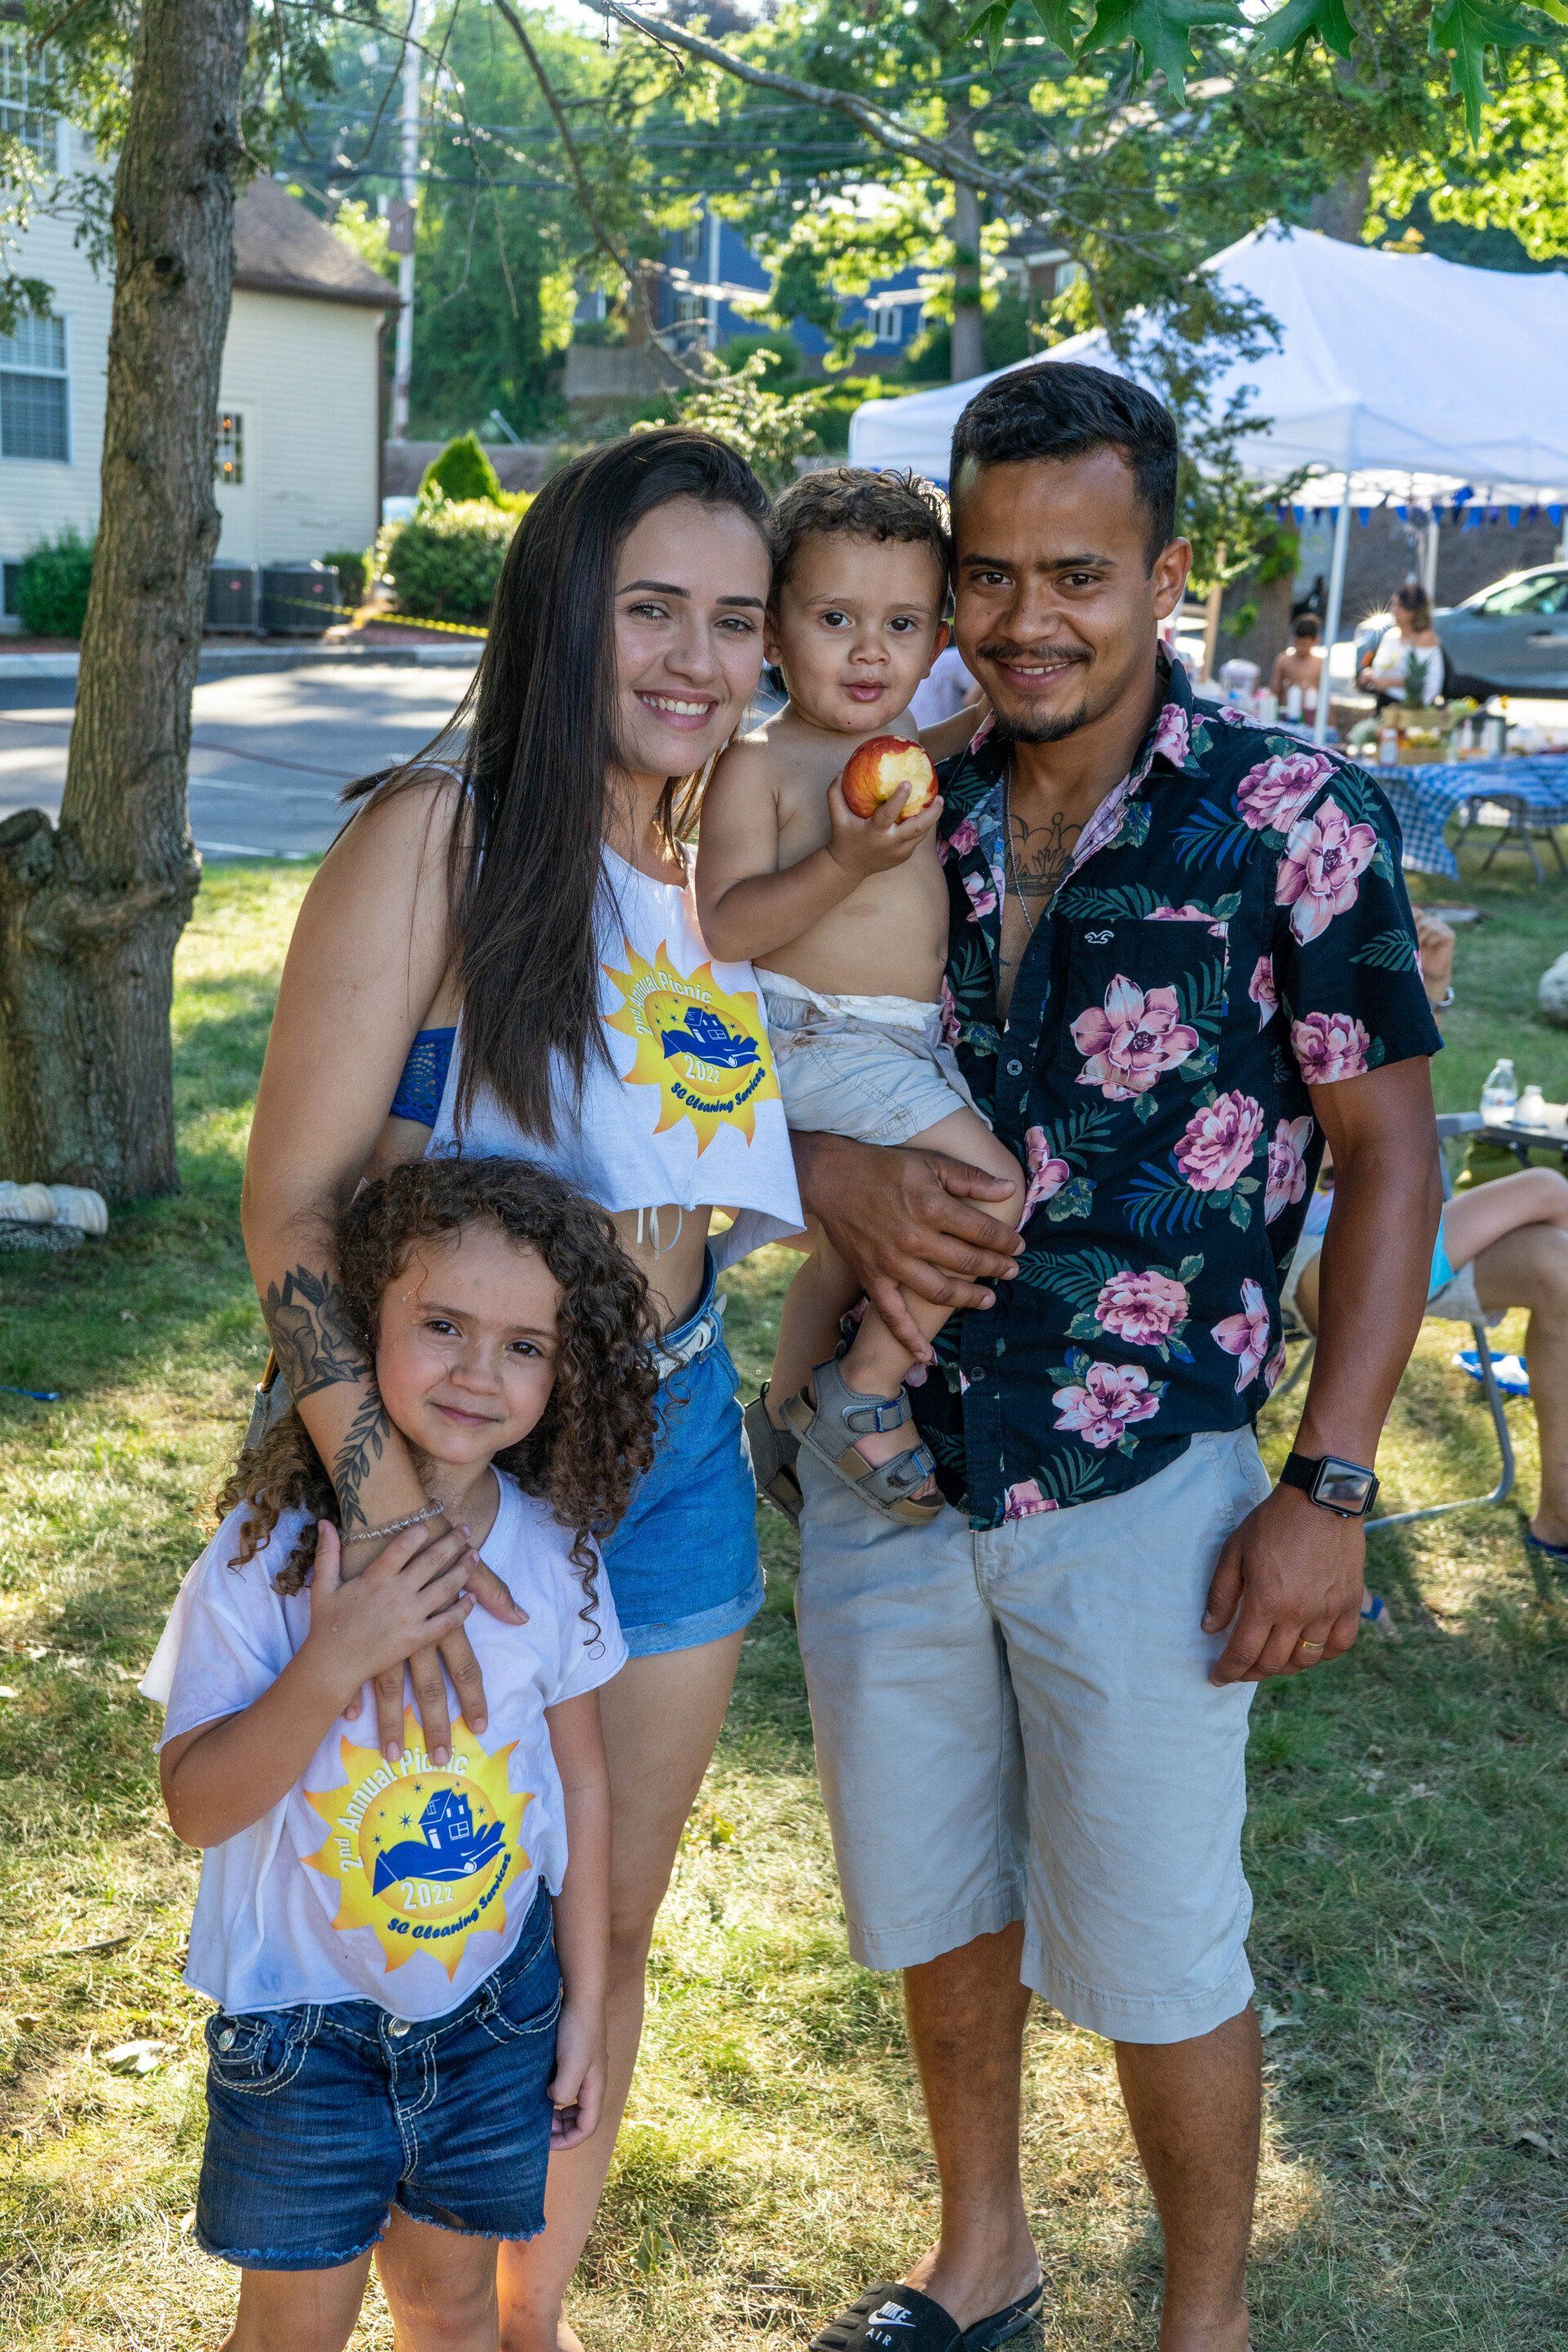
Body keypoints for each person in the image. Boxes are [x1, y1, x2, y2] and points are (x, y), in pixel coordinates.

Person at [789, 361, 1445, 2352]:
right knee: (935, 1893)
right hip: (892, 1459)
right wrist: (831, 1172)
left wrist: (1328, 1481)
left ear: (1168, 572)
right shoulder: (900, 793)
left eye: (1075, 573)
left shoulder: (1290, 818)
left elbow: (1391, 1153)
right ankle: (978, 2257)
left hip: (1142, 1475)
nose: (1021, 622)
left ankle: (1204, 2322)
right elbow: (743, 1051)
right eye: (982, 577)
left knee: (1161, 1946)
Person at [240, 429, 804, 2352]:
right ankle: (421, 2313)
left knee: (606, 1930)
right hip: (455, 1462)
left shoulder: (721, 854)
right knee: (422, 1921)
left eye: (738, 620)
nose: (699, 658)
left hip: (674, 1429)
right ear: (566, 610)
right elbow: (294, 1205)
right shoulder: (439, 834)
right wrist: (386, 1500)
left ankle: (524, 2320)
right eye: (654, 607)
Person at [141, 1159, 657, 2350]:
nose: (481, 1371)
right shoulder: (265, 1558)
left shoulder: (555, 1556)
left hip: (491, 2019)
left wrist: (583, 2004)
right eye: (440, 1326)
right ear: (358, 1322)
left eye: (526, 1345)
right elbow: (197, 1809)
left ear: (564, 1372)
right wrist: (335, 1660)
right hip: (302, 2036)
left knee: (454, 2310)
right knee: (290, 2335)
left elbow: (578, 1782)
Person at [697, 469, 1025, 1521]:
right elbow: (727, 926)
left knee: (851, 1245)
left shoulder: (892, 759)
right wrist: (842, 862)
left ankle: (785, 1410)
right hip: (819, 1036)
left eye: (901, 623)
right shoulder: (761, 767)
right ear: (776, 635)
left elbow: (954, 744)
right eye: (836, 618)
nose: (869, 650)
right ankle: (866, 1388)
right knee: (992, 1194)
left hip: (895, 1042)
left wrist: (994, 704)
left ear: (938, 641)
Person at [1287, 1158, 1568, 1563]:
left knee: (1557, 1251)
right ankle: (1322, 1546)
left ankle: (1560, 1518)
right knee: (1547, 1185)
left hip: (1383, 1228)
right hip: (1290, 1242)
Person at [1357, 581, 1445, 707]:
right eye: (1393, 605)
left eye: (1400, 607)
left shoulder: (1426, 639)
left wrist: (1389, 683)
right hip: (1384, 703)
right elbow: (1380, 668)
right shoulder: (1390, 636)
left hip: (1412, 707)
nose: (1394, 611)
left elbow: (1426, 681)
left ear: (1413, 611)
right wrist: (1369, 675)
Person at [1268, 612, 1325, 715]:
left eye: (1304, 644)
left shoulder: (1320, 664)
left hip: (1310, 716)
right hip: (1285, 714)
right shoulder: (1283, 660)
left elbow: (1325, 697)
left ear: (1316, 641)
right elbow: (1274, 692)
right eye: (1296, 643)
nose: (1300, 648)